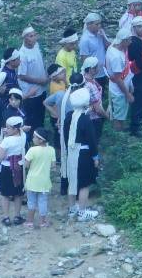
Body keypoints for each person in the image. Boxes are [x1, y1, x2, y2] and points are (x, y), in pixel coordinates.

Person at [60, 88, 100, 222]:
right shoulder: (85, 119)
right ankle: (82, 212)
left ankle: (72, 209)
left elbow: (65, 137)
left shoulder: (68, 117)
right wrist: (95, 157)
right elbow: (92, 140)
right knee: (84, 184)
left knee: (72, 181)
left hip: (71, 152)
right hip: (84, 154)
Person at [18, 26, 48, 144]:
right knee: (31, 118)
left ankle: (41, 138)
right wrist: (39, 81)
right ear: (25, 38)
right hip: (31, 92)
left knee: (40, 115)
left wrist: (44, 77)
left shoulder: (36, 46)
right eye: (31, 36)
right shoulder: (22, 54)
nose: (34, 38)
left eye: (35, 35)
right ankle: (30, 141)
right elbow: (22, 75)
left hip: (41, 88)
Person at [0, 116, 27, 226]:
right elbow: (22, 130)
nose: (6, 129)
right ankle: (17, 216)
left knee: (5, 194)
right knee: (18, 193)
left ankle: (6, 217)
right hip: (19, 167)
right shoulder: (23, 136)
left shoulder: (6, 141)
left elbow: (1, 156)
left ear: (15, 129)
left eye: (8, 128)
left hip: (7, 167)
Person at [23, 127, 54, 228]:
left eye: (34, 137)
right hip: (44, 181)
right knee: (43, 201)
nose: (33, 139)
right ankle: (43, 222)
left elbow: (26, 165)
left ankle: (30, 221)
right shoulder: (51, 150)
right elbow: (53, 166)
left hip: (32, 181)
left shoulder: (32, 150)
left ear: (41, 139)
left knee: (31, 202)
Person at [105, 29, 134, 132]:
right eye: (129, 40)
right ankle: (118, 133)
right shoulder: (116, 57)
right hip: (119, 89)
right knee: (119, 114)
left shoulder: (115, 46)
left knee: (121, 111)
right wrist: (127, 94)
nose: (131, 42)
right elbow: (118, 79)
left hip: (122, 83)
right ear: (124, 41)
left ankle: (121, 128)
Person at [79, 12, 110, 94]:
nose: (99, 26)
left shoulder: (100, 34)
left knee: (102, 93)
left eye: (100, 24)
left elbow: (108, 47)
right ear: (89, 25)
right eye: (97, 24)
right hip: (94, 74)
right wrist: (90, 75)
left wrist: (104, 36)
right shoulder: (85, 40)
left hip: (103, 71)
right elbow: (84, 59)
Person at [81, 57, 110, 140]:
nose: (98, 68)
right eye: (96, 67)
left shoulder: (85, 78)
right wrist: (106, 116)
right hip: (93, 118)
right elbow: (97, 109)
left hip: (87, 116)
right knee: (94, 141)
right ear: (91, 69)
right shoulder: (90, 86)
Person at [43, 64, 67, 161]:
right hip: (57, 115)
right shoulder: (55, 87)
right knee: (58, 135)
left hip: (61, 112)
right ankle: (58, 156)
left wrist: (65, 80)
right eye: (61, 73)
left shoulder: (61, 81)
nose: (64, 74)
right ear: (54, 76)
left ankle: (62, 152)